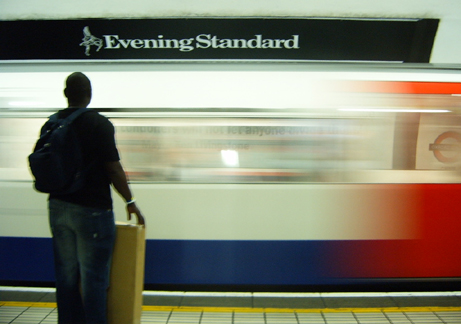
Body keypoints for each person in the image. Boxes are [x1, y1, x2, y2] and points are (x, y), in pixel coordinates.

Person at [42, 72, 145, 324]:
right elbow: (113, 169)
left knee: (66, 277)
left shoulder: (51, 123)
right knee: (94, 280)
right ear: (90, 94)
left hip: (57, 206)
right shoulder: (99, 124)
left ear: (66, 94)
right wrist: (130, 201)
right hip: (92, 211)